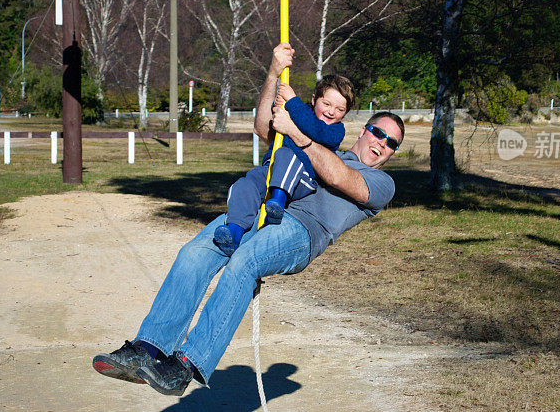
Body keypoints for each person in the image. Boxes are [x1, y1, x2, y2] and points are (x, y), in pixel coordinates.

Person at [92, 43, 404, 397]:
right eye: (378, 133)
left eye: (392, 143)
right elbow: (263, 128)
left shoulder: (382, 183)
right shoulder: (328, 140)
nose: (382, 144)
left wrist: (298, 132)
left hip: (300, 231)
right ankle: (148, 350)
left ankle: (186, 365)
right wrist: (273, 73)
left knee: (244, 262)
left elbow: (338, 177)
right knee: (196, 252)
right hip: (261, 209)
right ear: (364, 130)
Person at [213, 65, 356, 256]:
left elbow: (314, 128)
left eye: (340, 109)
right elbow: (274, 120)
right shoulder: (297, 110)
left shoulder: (336, 130)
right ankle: (234, 231)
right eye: (327, 104)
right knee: (245, 184)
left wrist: (292, 101)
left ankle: (277, 203)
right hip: (272, 170)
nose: (331, 112)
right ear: (314, 100)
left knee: (286, 154)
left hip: (302, 178)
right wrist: (279, 104)